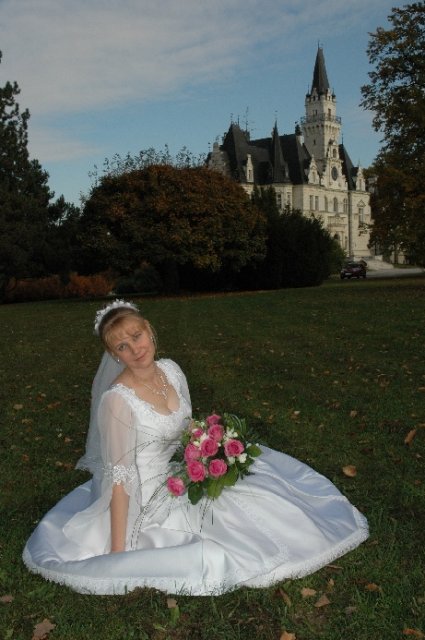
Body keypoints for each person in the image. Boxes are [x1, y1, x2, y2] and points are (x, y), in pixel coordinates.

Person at [23, 300, 368, 596]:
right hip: (145, 496)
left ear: (149, 329)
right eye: (123, 346)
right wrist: (117, 556)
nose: (135, 349)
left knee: (260, 491)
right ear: (114, 354)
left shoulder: (171, 371)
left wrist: (212, 446)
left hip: (179, 472)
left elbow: (186, 426)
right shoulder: (117, 400)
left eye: (136, 336)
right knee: (220, 533)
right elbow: (120, 477)